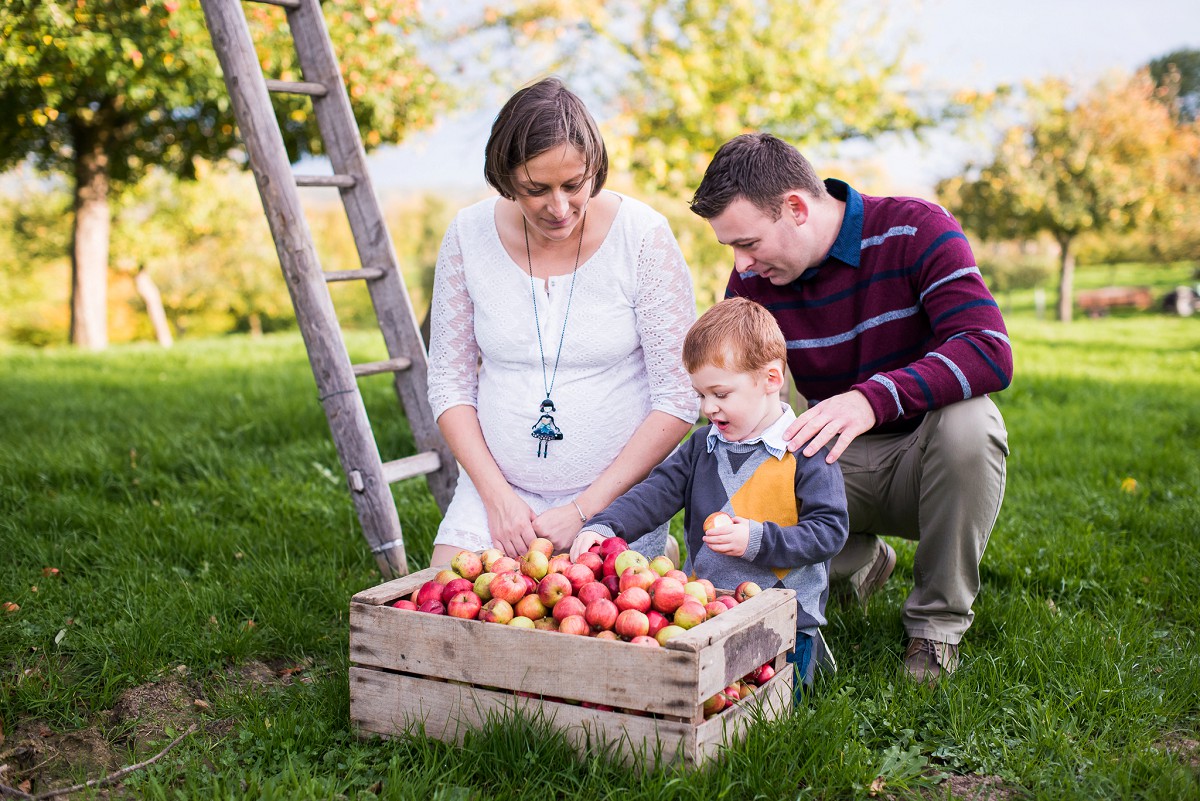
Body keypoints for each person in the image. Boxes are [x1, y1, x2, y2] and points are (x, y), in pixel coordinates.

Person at [689, 133, 1012, 683]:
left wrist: (871, 399)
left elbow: (988, 349)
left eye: (748, 242)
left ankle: (935, 629)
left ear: (795, 207)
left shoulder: (916, 229)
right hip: (831, 467)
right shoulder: (754, 282)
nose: (741, 264)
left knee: (971, 422)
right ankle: (857, 562)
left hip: (924, 460)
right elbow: (741, 392)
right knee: (749, 455)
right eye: (731, 250)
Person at [426, 78, 699, 567]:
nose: (559, 207)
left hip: (615, 500)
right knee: (455, 615)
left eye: (574, 185)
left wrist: (583, 509)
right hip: (498, 494)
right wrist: (498, 500)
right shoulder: (467, 235)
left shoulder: (643, 236)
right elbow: (449, 384)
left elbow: (679, 398)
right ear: (505, 178)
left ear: (595, 169)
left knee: (592, 634)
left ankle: (656, 542)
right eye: (536, 189)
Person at [571, 297, 849, 688]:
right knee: (684, 693)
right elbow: (655, 493)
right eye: (701, 395)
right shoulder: (702, 446)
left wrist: (757, 539)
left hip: (786, 622)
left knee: (775, 701)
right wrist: (605, 526)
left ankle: (814, 658)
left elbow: (829, 531)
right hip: (704, 611)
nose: (708, 409)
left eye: (720, 394)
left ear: (771, 379)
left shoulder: (807, 450)